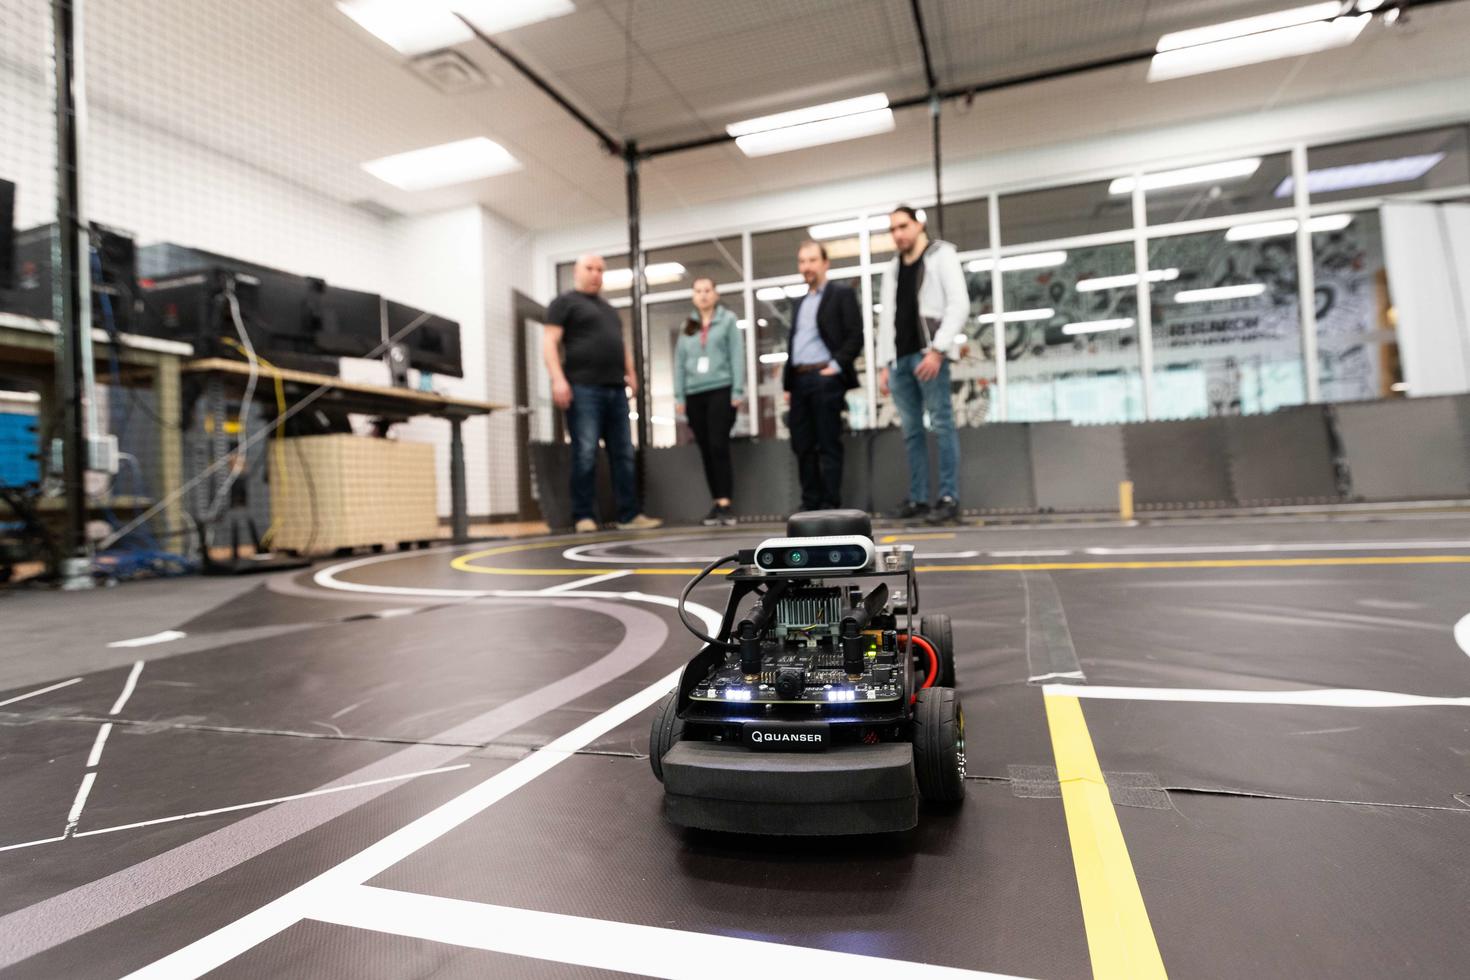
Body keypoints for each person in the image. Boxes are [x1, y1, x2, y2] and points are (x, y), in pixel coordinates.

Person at [543, 254, 662, 533]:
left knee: (623, 453)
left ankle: (629, 515)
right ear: (576, 271)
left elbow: (620, 345)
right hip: (582, 389)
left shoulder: (609, 309)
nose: (596, 274)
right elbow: (549, 342)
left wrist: (631, 373)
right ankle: (583, 515)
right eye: (590, 268)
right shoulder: (564, 303)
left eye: (600, 269)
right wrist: (558, 379)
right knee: (585, 452)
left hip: (615, 390)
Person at [876, 206, 968, 524]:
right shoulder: (892, 269)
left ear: (919, 225)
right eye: (893, 229)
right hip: (899, 360)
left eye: (903, 226)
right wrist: (883, 363)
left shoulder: (941, 255)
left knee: (942, 424)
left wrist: (938, 349)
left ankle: (947, 497)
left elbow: (959, 304)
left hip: (929, 355)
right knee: (912, 432)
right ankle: (917, 499)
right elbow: (887, 317)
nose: (898, 234)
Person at [784, 240, 863, 511]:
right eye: (802, 261)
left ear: (825, 263)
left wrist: (835, 366)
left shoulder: (841, 295)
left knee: (828, 444)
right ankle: (810, 504)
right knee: (802, 445)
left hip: (825, 378)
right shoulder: (799, 302)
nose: (806, 266)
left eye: (812, 260)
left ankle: (830, 504)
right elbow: (793, 344)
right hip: (799, 381)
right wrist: (788, 382)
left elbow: (855, 336)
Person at [674, 276, 745, 526]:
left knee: (718, 445)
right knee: (705, 449)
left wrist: (737, 390)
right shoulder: (688, 326)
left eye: (707, 290)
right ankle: (716, 502)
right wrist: (679, 395)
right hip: (694, 394)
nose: (703, 295)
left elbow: (737, 355)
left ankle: (726, 503)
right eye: (698, 291)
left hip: (721, 389)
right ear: (693, 296)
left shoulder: (727, 321)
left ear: (715, 294)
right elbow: (679, 363)